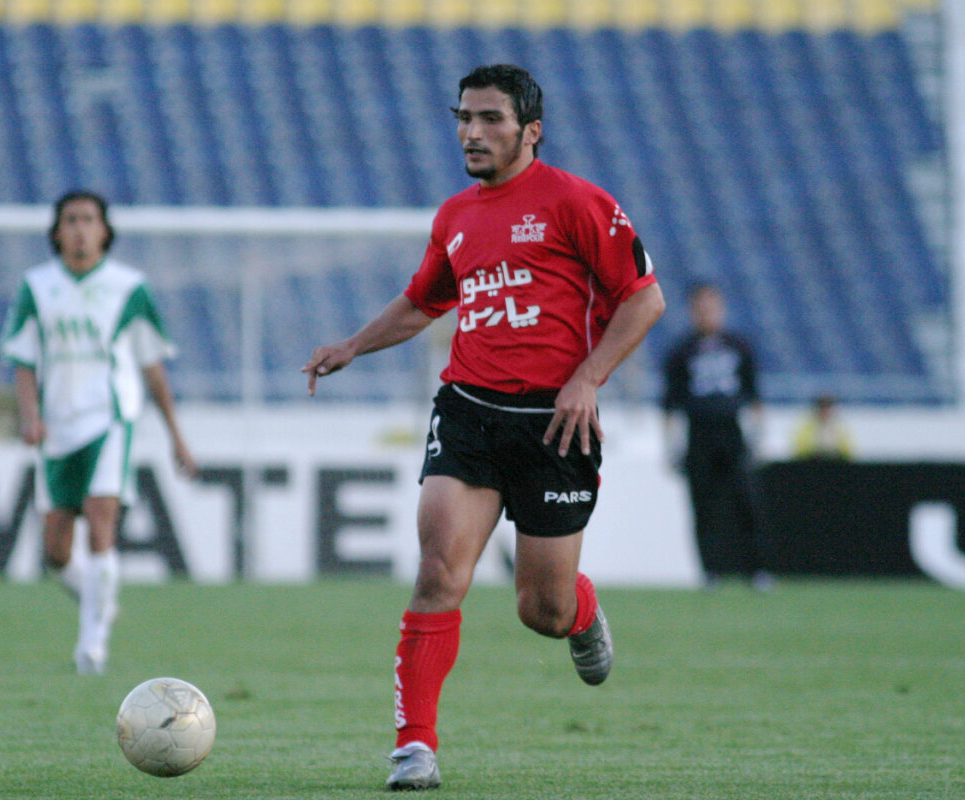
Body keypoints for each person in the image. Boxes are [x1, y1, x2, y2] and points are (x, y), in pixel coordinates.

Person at [302, 64, 664, 791]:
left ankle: (581, 612)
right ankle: (414, 747)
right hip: (468, 410)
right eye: (464, 118)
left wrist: (587, 378)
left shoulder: (577, 202)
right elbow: (422, 302)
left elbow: (644, 300)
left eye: (490, 118)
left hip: (555, 424)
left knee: (542, 609)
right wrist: (354, 344)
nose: (471, 132)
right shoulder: (454, 216)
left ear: (531, 131)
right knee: (439, 571)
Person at [1, 190, 198, 675]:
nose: (80, 229)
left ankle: (92, 645)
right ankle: (99, 600)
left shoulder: (129, 288)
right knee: (55, 552)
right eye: (70, 220)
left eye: (89, 219)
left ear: (105, 230)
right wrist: (30, 416)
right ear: (56, 232)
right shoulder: (37, 287)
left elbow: (152, 367)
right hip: (58, 424)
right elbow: (24, 359)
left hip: (110, 416)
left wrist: (176, 435)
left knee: (101, 518)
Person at [662, 283, 770, 589]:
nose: (706, 313)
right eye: (700, 307)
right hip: (699, 435)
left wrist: (759, 438)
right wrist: (670, 447)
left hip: (732, 432)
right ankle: (711, 572)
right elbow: (670, 405)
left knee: (747, 504)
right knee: (704, 507)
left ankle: (757, 570)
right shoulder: (681, 351)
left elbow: (754, 396)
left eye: (711, 306)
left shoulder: (738, 346)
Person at [793, 393, 853, 460]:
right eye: (822, 407)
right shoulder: (807, 427)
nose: (825, 411)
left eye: (828, 407)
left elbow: (847, 451)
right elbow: (800, 449)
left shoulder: (840, 428)